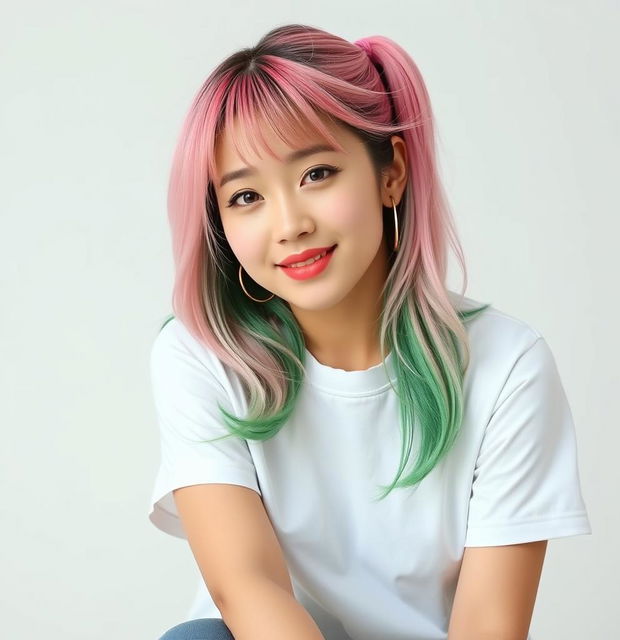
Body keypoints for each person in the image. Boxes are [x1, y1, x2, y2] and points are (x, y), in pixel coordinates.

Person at [148, 23, 591, 640]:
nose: (289, 224)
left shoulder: (507, 366)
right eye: (246, 196)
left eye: (316, 175)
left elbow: (488, 626)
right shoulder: (202, 357)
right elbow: (247, 586)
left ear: (392, 174)